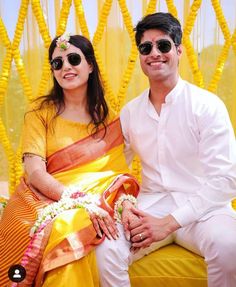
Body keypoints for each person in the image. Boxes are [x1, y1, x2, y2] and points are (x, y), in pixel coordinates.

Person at [96, 12, 236, 287]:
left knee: (230, 246)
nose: (154, 53)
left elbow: (227, 178)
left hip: (204, 209)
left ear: (179, 50)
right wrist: (124, 207)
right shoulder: (131, 113)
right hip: (151, 206)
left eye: (163, 45)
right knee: (105, 251)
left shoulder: (206, 105)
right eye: (146, 48)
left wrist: (170, 222)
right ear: (140, 56)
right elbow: (114, 169)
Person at [0, 33, 139, 286]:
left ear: (90, 65)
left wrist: (122, 205)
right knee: (67, 222)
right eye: (58, 63)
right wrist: (78, 200)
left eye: (73, 59)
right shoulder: (39, 112)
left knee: (78, 223)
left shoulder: (109, 118)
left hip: (97, 202)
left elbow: (116, 174)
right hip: (41, 198)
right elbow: (34, 172)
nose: (66, 67)